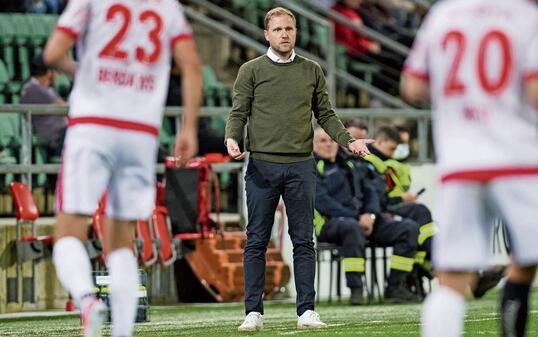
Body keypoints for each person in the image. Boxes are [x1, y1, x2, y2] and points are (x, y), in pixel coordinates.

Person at [42, 0, 202, 336]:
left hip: (93, 123)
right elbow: (191, 66)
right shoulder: (167, 6)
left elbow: (53, 54)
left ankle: (87, 301)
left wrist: (83, 70)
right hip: (140, 131)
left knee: (69, 229)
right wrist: (187, 128)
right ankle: (123, 331)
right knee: (122, 241)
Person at [224, 7, 372, 332]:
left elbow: (326, 114)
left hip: (301, 165)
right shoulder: (250, 70)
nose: (284, 34)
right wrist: (232, 139)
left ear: (296, 32)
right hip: (262, 165)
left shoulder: (312, 70)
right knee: (257, 241)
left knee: (304, 240)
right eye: (277, 29)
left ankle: (306, 311)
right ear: (266, 34)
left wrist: (349, 141)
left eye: (289, 28)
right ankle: (253, 312)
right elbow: (238, 112)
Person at [400, 0, 538, 336]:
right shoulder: (525, 16)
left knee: (452, 278)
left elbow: (412, 86)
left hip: (459, 161)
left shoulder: (443, 15)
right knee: (528, 258)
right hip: (516, 159)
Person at [313, 127, 421, 305]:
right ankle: (356, 290)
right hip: (330, 224)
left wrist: (370, 215)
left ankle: (395, 287)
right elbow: (324, 203)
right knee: (351, 227)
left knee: (408, 228)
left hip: (364, 221)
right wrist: (358, 217)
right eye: (322, 141)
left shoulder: (352, 163)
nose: (328, 144)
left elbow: (371, 192)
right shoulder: (312, 167)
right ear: (313, 145)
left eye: (332, 140)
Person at [21, 54, 67, 159]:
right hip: (53, 139)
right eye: (55, 69)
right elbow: (66, 107)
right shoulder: (33, 88)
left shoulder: (46, 88)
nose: (57, 73)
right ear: (48, 72)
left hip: (59, 136)